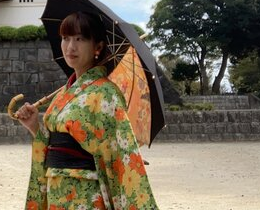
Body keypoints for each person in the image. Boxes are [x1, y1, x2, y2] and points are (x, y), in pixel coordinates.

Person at [14, 11, 158, 210]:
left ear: (97, 46)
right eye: (65, 38)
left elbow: (118, 151)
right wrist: (35, 126)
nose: (70, 47)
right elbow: (52, 144)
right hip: (57, 190)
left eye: (80, 39)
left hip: (85, 194)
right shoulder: (62, 94)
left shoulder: (106, 94)